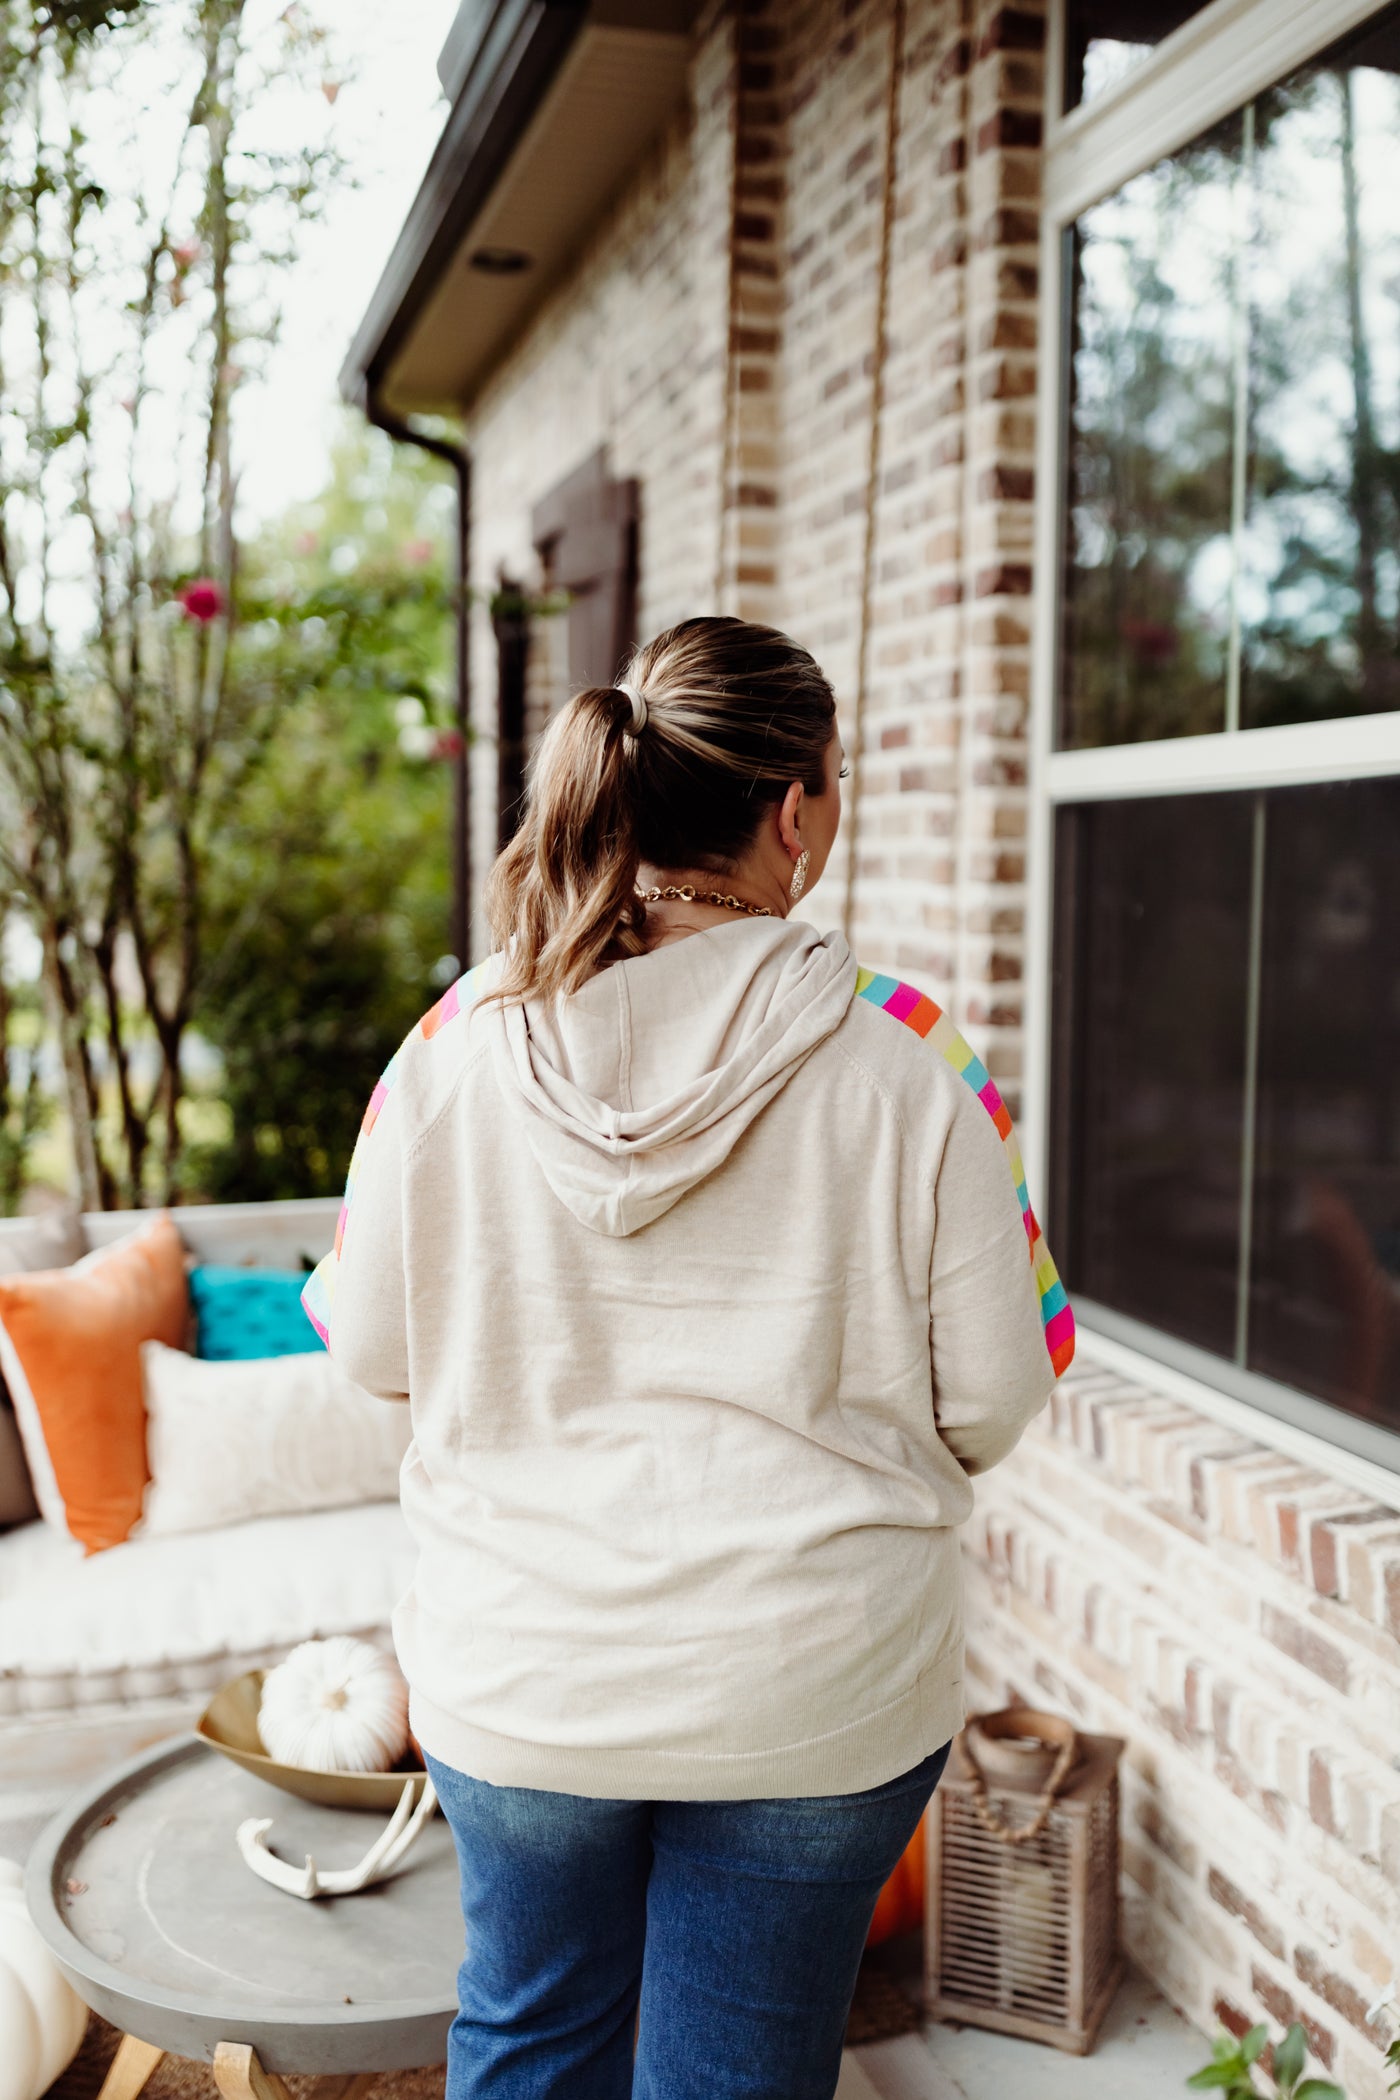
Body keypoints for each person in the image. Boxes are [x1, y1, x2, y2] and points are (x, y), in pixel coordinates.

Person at [301, 614, 1075, 2100]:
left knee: (528, 2044)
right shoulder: (912, 1059)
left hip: (524, 1684)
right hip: (815, 1694)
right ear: (795, 809)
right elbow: (995, 1397)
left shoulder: (455, 1044)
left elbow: (372, 1351)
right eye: (835, 787)